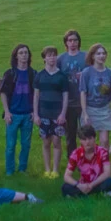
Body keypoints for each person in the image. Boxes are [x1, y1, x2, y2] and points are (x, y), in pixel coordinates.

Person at [33, 46, 71, 177]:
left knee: (56, 141)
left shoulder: (62, 76)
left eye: (54, 55)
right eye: (49, 55)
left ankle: (55, 169)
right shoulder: (39, 76)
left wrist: (63, 114)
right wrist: (36, 114)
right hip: (43, 113)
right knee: (46, 142)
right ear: (44, 58)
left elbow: (65, 96)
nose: (52, 58)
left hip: (57, 114)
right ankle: (47, 169)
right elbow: (36, 96)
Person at [0, 44, 36, 176]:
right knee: (10, 145)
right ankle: (9, 170)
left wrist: (34, 111)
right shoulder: (10, 74)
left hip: (28, 114)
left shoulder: (33, 73)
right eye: (21, 53)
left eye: (26, 52)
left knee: (26, 144)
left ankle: (22, 169)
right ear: (16, 56)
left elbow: (36, 94)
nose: (24, 55)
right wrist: (7, 112)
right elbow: (3, 93)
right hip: (13, 114)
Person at [78, 43, 111, 149]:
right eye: (98, 53)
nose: (101, 56)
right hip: (90, 109)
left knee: (104, 141)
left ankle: (103, 163)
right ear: (93, 56)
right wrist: (85, 113)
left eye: (103, 53)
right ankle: (89, 163)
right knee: (88, 142)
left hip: (104, 110)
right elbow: (83, 93)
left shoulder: (110, 73)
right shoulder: (86, 73)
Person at [62, 124, 111, 197]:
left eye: (90, 138)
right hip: (83, 184)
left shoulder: (103, 152)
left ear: (94, 138)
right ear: (80, 140)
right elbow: (66, 176)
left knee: (110, 181)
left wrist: (91, 185)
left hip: (98, 182)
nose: (87, 142)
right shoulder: (76, 154)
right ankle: (97, 193)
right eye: (84, 139)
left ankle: (81, 194)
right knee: (65, 187)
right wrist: (79, 185)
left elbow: (107, 173)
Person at [58, 30, 89, 153]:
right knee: (70, 134)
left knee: (85, 132)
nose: (73, 43)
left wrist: (84, 75)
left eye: (75, 40)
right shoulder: (61, 59)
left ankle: (87, 157)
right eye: (70, 40)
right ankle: (73, 159)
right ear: (66, 43)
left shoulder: (86, 57)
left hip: (83, 102)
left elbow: (93, 73)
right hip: (68, 103)